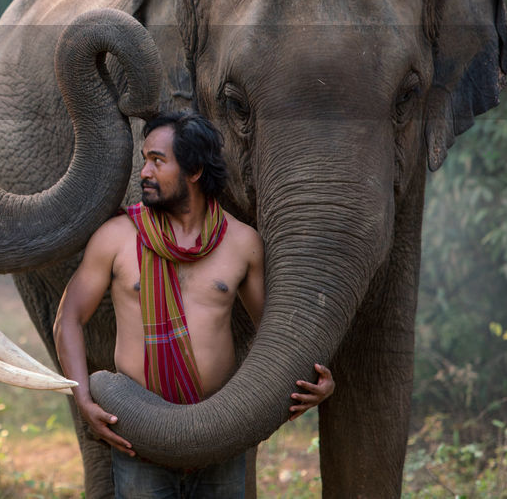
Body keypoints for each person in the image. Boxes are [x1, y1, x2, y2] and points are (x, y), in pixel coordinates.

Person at [54, 111, 334, 498]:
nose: (144, 173)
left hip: (222, 434)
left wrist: (314, 381)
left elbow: (275, 336)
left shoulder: (242, 243)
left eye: (158, 160)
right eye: (144, 159)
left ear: (196, 170)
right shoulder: (116, 238)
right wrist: (83, 398)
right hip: (139, 433)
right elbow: (68, 317)